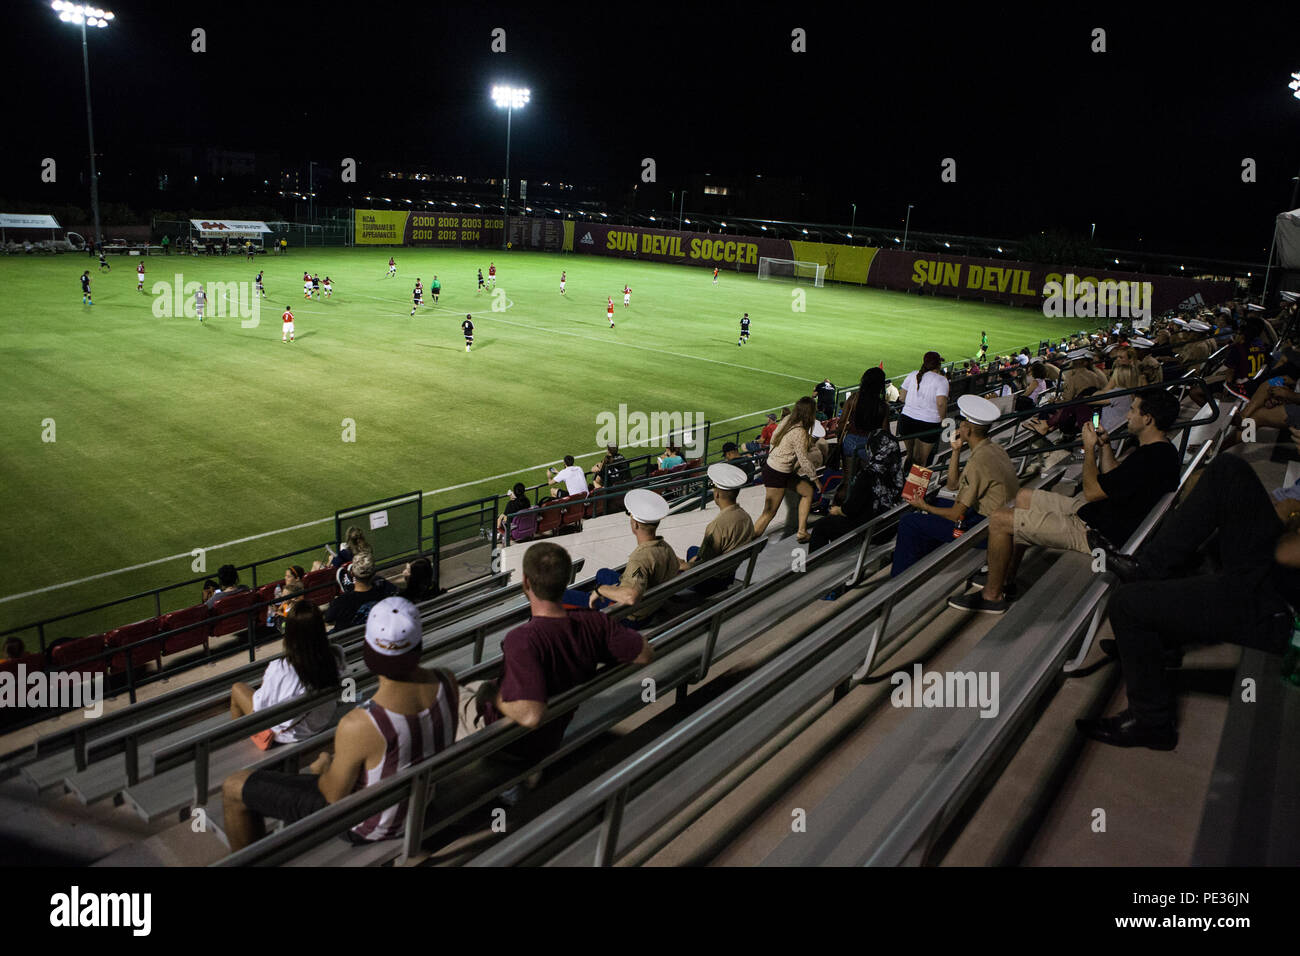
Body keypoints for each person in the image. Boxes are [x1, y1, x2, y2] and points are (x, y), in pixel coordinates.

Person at [1078, 453, 1300, 750]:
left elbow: (1287, 552)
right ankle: (1147, 570)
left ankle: (1151, 723)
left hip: (1278, 608)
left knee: (1126, 605)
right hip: (1275, 574)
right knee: (1228, 469)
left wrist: (1291, 516)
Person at [222, 596, 458, 850]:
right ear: (418, 644)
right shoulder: (448, 680)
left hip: (370, 825)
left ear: (369, 649)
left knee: (234, 786)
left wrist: (324, 767)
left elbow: (333, 795)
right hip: (420, 801)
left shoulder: (361, 723)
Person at [950, 390, 1182, 614]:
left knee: (1000, 520)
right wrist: (1105, 446)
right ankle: (1007, 578)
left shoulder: (1150, 458)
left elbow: (1092, 491)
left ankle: (991, 597)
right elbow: (1114, 477)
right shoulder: (1162, 452)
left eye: (1132, 410)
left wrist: (1089, 449)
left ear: (1148, 419)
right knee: (1022, 496)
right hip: (1098, 514)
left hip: (1095, 533)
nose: (1127, 415)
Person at [464, 543, 651, 767]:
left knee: (454, 692)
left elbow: (531, 715)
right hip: (552, 731)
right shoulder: (594, 623)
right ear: (566, 582)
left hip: (512, 742)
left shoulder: (521, 640)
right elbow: (645, 653)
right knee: (472, 687)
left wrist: (491, 696)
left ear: (526, 582)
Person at [891, 395, 1018, 576]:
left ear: (967, 430)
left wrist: (923, 506)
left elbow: (955, 514)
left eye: (963, 423)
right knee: (935, 502)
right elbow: (952, 485)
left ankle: (899, 580)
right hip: (994, 517)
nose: (960, 426)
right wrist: (956, 451)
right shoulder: (993, 449)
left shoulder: (978, 461)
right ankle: (922, 558)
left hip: (987, 528)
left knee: (909, 522)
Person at [229, 601, 344, 744]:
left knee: (237, 688)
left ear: (290, 633)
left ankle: (236, 744)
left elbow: (259, 710)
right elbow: (344, 690)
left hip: (288, 735)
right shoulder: (336, 654)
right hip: (323, 719)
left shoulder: (280, 668)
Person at [561, 490, 679, 623]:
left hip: (631, 615)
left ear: (635, 524)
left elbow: (631, 597)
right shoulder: (665, 547)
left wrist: (601, 590)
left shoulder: (640, 558)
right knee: (603, 573)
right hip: (652, 602)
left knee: (562, 595)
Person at [752, 397, 820, 543]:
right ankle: (745, 545)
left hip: (776, 468)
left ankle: (801, 532)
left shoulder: (788, 419)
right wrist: (816, 479)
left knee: (807, 491)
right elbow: (803, 460)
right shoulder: (800, 432)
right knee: (769, 513)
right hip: (778, 472)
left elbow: (773, 439)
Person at [679, 463, 755, 594]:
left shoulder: (716, 526)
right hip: (729, 571)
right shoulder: (746, 518)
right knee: (693, 550)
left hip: (713, 580)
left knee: (684, 560)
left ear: (717, 494)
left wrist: (686, 565)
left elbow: (703, 562)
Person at [898, 351, 950, 470]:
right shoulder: (942, 380)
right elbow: (941, 403)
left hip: (906, 420)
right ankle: (913, 489)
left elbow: (902, 397)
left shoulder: (913, 374)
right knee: (920, 462)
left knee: (910, 456)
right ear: (938, 365)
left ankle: (902, 485)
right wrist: (944, 420)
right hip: (929, 424)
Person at [839, 367, 889, 489]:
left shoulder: (853, 399)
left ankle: (842, 506)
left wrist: (839, 441)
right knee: (867, 483)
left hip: (850, 442)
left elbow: (841, 423)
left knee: (848, 481)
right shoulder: (883, 406)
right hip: (869, 446)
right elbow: (885, 432)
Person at [324, 551, 397, 628]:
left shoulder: (340, 601)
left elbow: (328, 620)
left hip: (348, 638)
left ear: (352, 574)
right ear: (374, 573)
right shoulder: (385, 590)